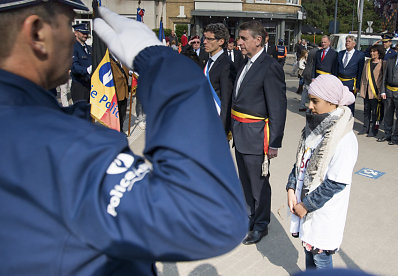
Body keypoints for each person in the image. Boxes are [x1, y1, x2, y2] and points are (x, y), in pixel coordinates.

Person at [0, 3, 248, 275]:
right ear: (37, 33)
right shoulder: (50, 140)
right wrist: (161, 63)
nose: (73, 36)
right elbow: (211, 217)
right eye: (68, 24)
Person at [286, 74, 357, 270]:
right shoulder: (314, 127)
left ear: (332, 102)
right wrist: (291, 188)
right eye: (310, 100)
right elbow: (300, 161)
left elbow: (336, 182)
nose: (310, 106)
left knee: (320, 258)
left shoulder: (344, 138)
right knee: (308, 250)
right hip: (305, 206)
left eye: (315, 101)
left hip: (322, 211)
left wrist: (306, 205)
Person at [232, 20, 287, 245]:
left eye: (244, 38)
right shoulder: (246, 63)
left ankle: (261, 224)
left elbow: (277, 107)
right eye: (239, 38)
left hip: (257, 137)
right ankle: (248, 217)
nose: (239, 43)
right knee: (245, 181)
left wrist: (274, 142)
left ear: (258, 39)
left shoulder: (269, 65)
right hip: (240, 133)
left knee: (259, 184)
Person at [203, 23, 236, 135]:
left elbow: (226, 101)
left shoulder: (226, 65)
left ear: (221, 41)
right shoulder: (209, 61)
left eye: (209, 39)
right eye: (205, 38)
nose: (204, 42)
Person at [359, 45, 386, 137]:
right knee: (366, 110)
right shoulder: (367, 62)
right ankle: (365, 127)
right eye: (371, 51)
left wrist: (381, 91)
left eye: (374, 51)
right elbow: (363, 76)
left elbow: (383, 79)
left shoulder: (383, 63)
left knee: (375, 112)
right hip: (366, 90)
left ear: (379, 53)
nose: (372, 53)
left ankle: (374, 129)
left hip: (375, 92)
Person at [336, 35, 365, 115]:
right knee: (339, 102)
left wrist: (358, 85)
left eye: (349, 41)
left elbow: (360, 71)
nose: (347, 43)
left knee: (349, 103)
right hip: (340, 81)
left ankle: (349, 119)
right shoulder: (340, 53)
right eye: (346, 41)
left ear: (354, 44)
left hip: (351, 82)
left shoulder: (359, 55)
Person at [70, 23, 92, 103]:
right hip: (79, 86)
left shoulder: (89, 48)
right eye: (83, 33)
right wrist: (87, 70)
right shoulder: (72, 47)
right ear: (76, 33)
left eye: (86, 33)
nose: (85, 35)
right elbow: (74, 66)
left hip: (89, 85)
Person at [110, 55, 129, 133]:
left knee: (122, 112)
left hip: (124, 90)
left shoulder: (122, 57)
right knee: (115, 113)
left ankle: (120, 128)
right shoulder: (108, 58)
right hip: (115, 91)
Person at [300, 43, 321, 112]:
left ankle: (302, 105)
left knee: (305, 90)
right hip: (311, 73)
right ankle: (310, 107)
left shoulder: (311, 51)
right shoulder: (318, 52)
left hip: (306, 71)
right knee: (312, 91)